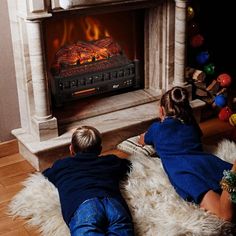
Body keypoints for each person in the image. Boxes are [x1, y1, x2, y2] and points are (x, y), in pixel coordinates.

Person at [139, 86, 236, 222]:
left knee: (223, 212)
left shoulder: (156, 128)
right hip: (205, 161)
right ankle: (231, 176)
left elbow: (142, 140)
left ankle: (233, 174)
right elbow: (198, 136)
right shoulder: (191, 125)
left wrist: (145, 136)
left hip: (183, 171)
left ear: (161, 110)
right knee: (222, 177)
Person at [43, 125, 134, 235]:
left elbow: (46, 174)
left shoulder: (62, 165)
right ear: (100, 150)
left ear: (71, 149)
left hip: (84, 206)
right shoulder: (111, 161)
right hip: (114, 204)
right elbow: (127, 165)